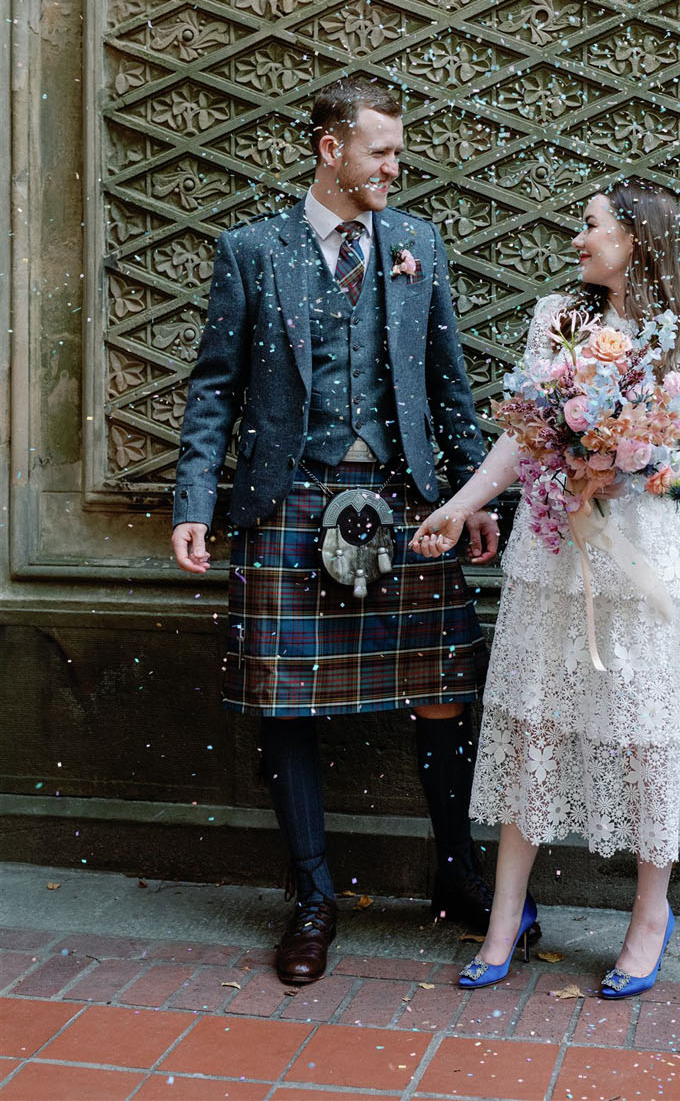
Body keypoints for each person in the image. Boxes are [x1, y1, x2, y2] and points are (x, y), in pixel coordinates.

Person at [171, 77, 505, 986]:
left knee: (440, 688)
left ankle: (456, 872)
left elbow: (449, 385)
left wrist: (478, 499)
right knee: (286, 697)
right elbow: (214, 388)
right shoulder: (252, 250)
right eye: (382, 152)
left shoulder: (416, 244)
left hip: (406, 499)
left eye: (396, 151)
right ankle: (313, 895)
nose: (396, 167)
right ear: (331, 149)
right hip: (286, 497)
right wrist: (194, 501)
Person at [411, 180, 680, 996]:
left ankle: (650, 916)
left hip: (642, 562)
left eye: (589, 225)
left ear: (634, 238)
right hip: (553, 556)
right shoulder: (559, 318)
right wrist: (457, 508)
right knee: (535, 727)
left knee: (650, 736)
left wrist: (641, 462)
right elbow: (521, 443)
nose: (577, 238)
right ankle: (505, 914)